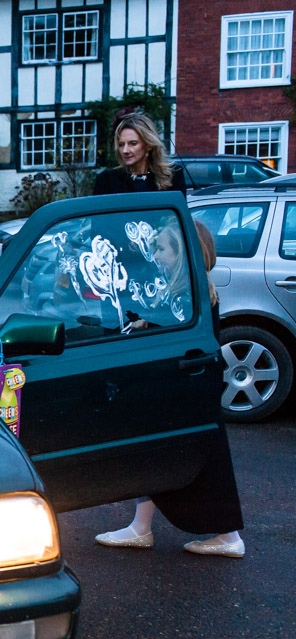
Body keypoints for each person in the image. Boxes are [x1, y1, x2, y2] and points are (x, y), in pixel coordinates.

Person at [95, 220, 245, 557]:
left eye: (162, 248)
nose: (157, 255)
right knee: (183, 458)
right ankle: (144, 527)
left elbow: (174, 339)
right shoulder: (193, 288)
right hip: (194, 388)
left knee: (166, 455)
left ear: (183, 252)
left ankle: (225, 535)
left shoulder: (186, 293)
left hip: (182, 390)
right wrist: (148, 318)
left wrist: (145, 325)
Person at [94, 112, 187, 195]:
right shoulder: (106, 180)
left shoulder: (171, 176)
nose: (125, 150)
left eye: (133, 143)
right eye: (121, 144)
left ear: (148, 145)